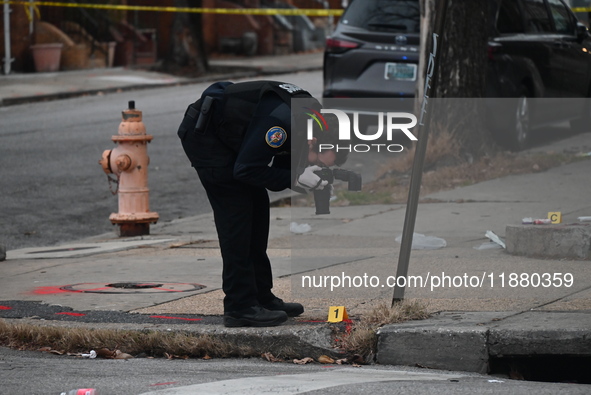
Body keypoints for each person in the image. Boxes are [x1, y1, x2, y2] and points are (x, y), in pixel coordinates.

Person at [177, 80, 347, 327]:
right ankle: (239, 307)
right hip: (208, 138)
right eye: (319, 163)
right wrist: (296, 177)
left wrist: (300, 179)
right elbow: (246, 170)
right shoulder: (282, 125)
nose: (318, 168)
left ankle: (261, 297)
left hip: (235, 138)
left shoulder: (311, 121)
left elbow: (273, 174)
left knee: (257, 210)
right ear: (312, 142)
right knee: (237, 218)